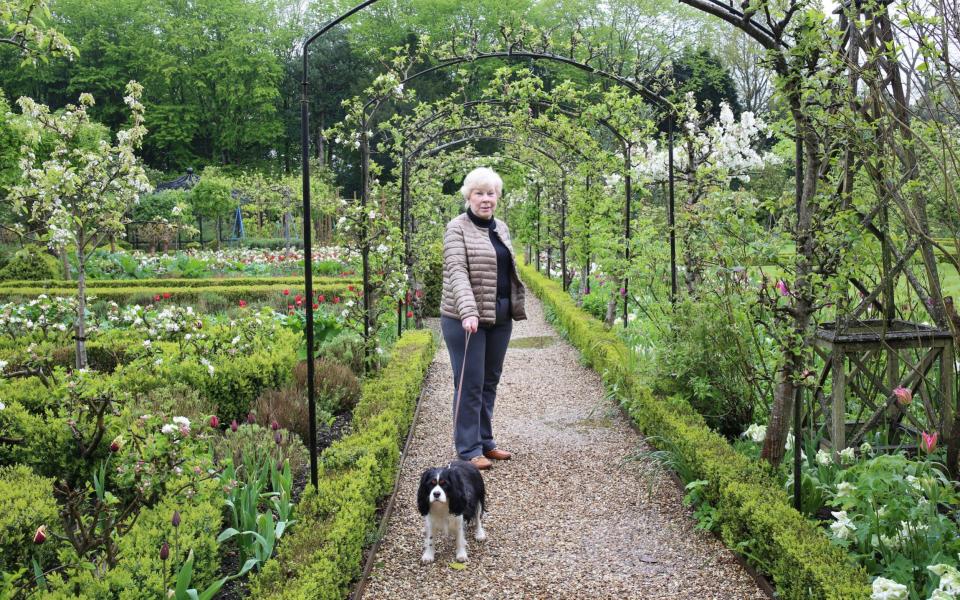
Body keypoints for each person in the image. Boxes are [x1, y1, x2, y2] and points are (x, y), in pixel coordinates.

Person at [440, 167, 526, 470]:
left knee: (490, 380)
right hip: (465, 320)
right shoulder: (456, 228)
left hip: (499, 317)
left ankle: (485, 441)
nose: (485, 199)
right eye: (479, 193)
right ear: (469, 195)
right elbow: (457, 272)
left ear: (497, 197)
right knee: (470, 383)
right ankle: (467, 449)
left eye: (491, 193)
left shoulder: (500, 227)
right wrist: (468, 311)